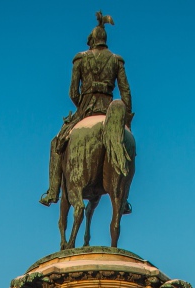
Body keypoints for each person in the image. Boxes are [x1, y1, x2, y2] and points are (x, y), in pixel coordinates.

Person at [40, 12, 132, 207]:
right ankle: (123, 201)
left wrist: (81, 107)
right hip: (109, 110)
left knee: (56, 143)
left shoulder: (80, 59)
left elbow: (73, 92)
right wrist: (126, 118)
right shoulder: (117, 61)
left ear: (92, 42)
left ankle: (52, 191)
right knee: (126, 146)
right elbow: (125, 93)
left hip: (86, 108)